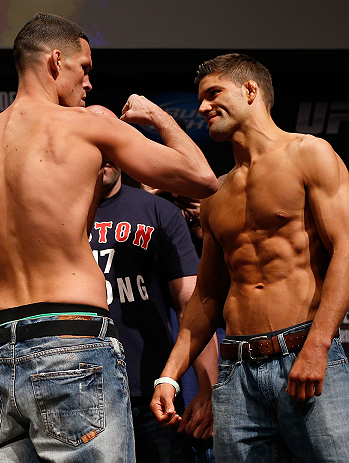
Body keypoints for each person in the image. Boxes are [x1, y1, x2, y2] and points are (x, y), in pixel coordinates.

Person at [0, 13, 218, 463]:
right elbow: (203, 178)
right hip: (72, 347)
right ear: (55, 60)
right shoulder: (86, 126)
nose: (88, 83)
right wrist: (157, 116)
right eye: (84, 68)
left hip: (1, 352)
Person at [151, 53, 349, 463]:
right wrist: (169, 375)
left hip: (305, 356)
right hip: (236, 373)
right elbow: (205, 297)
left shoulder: (309, 155)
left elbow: (347, 250)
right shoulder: (216, 195)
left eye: (213, 94)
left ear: (250, 91)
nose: (202, 107)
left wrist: (318, 346)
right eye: (201, 98)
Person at [88, 104, 218, 463]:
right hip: (79, 392)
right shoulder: (55, 213)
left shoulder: (156, 211)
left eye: (110, 141)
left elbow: (194, 306)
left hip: (152, 393)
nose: (104, 155)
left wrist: (206, 389)